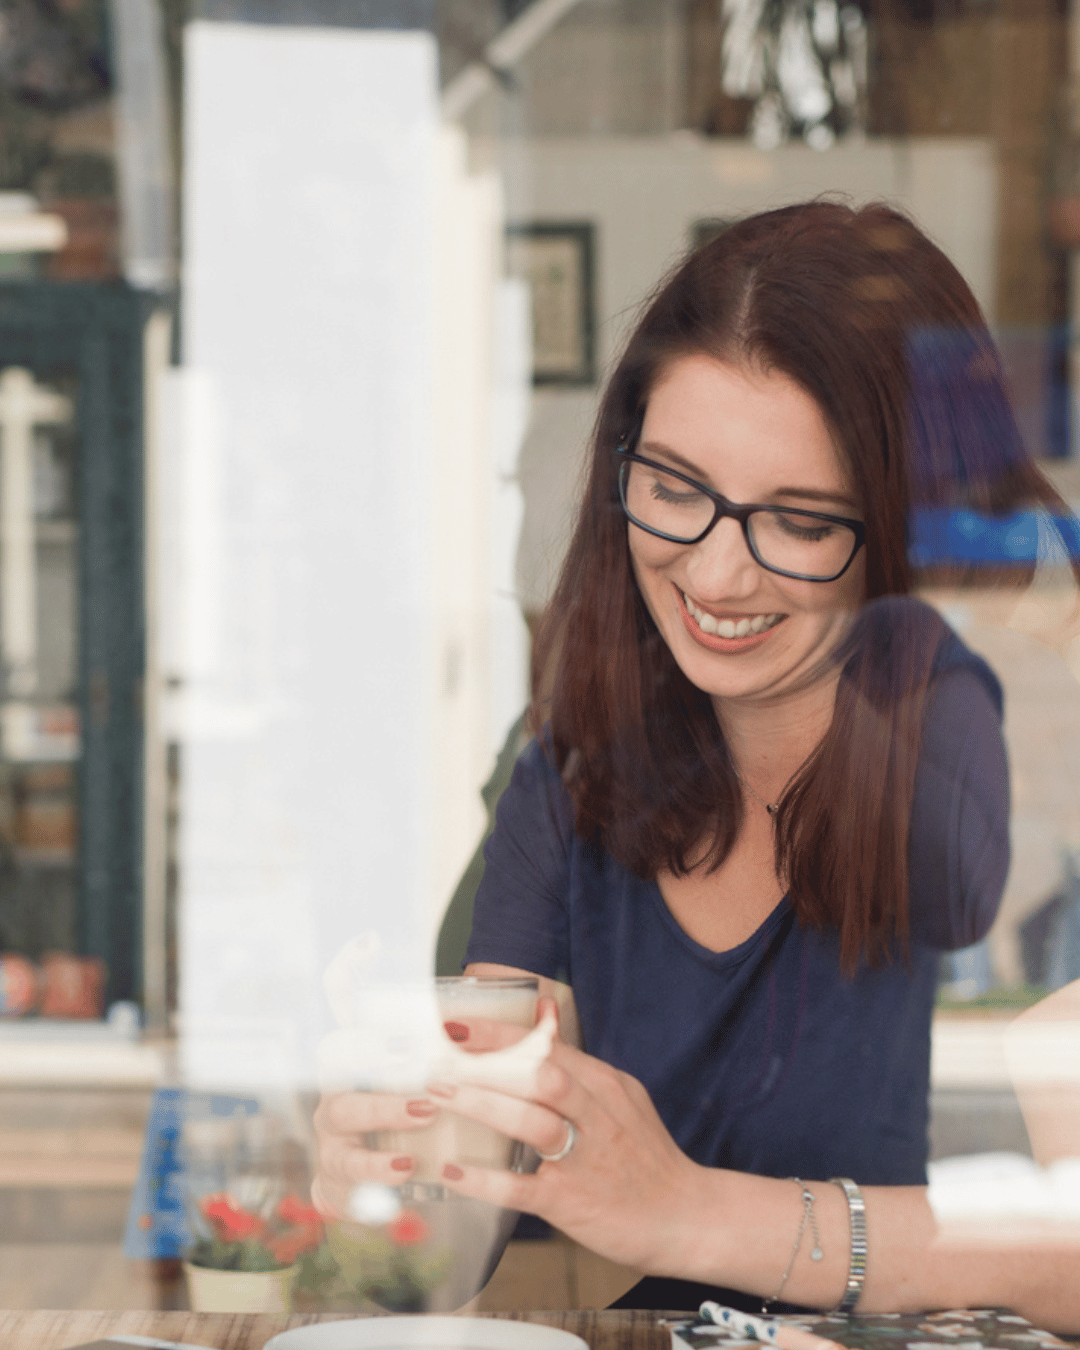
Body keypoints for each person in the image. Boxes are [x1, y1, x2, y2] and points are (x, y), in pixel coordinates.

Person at [313, 201, 1077, 1316]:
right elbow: (446, 1240)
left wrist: (689, 1211)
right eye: (674, 490)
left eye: (801, 522)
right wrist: (396, 1182)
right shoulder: (577, 779)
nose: (716, 577)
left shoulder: (1023, 744)